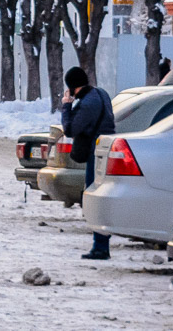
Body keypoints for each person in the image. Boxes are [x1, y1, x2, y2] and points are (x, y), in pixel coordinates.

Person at [61, 66, 115, 260]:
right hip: (107, 150)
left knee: (94, 198)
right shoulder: (101, 94)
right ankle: (101, 244)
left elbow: (70, 129)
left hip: (97, 153)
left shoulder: (87, 103)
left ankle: (100, 246)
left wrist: (67, 105)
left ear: (72, 87)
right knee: (100, 197)